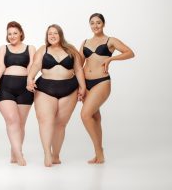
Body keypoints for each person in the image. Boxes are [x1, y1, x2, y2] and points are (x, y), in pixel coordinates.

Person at [27, 24, 86, 167]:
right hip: (45, 89)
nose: (52, 36)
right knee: (45, 121)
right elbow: (35, 65)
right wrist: (30, 78)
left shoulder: (71, 50)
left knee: (60, 124)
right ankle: (47, 153)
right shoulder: (43, 49)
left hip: (69, 89)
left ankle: (56, 155)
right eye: (49, 34)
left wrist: (83, 87)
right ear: (47, 37)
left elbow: (78, 69)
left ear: (60, 35)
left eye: (55, 33)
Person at [79, 13, 134, 164]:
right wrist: (79, 85)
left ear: (103, 24)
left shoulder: (110, 40)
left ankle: (99, 151)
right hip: (86, 83)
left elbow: (130, 53)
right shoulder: (85, 42)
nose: (95, 26)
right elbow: (78, 64)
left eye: (98, 23)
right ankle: (99, 153)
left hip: (101, 82)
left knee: (85, 115)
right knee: (94, 117)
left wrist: (111, 58)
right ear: (89, 25)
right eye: (92, 23)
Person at [0, 21, 36, 166]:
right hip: (5, 88)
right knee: (12, 120)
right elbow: (0, 65)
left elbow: (32, 67)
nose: (12, 36)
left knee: (21, 124)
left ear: (21, 33)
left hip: (25, 89)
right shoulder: (3, 48)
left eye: (15, 33)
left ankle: (15, 151)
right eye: (9, 33)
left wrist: (30, 81)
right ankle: (19, 154)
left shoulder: (31, 48)